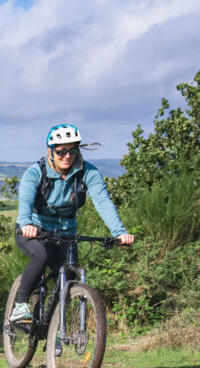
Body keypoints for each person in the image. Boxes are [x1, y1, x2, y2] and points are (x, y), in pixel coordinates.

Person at [11, 124, 134, 322]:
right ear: (51, 151)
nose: (67, 156)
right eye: (61, 151)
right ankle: (21, 304)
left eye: (72, 150)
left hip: (66, 233)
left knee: (69, 276)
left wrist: (119, 232)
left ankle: (58, 327)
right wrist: (26, 223)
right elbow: (25, 200)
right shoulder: (35, 172)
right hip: (35, 230)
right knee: (41, 255)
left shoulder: (88, 173)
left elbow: (103, 202)